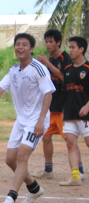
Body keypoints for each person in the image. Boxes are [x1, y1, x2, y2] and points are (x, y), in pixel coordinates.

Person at [0, 33, 55, 203]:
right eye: (17, 44)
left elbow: (48, 94)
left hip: (36, 121)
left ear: (32, 49)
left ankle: (11, 196)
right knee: (10, 159)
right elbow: (2, 86)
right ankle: (34, 188)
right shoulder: (14, 70)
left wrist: (41, 121)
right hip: (21, 121)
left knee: (22, 155)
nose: (20, 47)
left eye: (24, 44)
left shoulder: (39, 69)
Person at [34, 29, 84, 179]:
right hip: (51, 106)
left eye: (51, 41)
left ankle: (80, 170)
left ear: (58, 42)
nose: (48, 44)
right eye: (46, 42)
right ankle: (48, 169)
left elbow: (63, 77)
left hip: (63, 106)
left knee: (70, 140)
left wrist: (47, 64)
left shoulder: (66, 58)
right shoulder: (50, 58)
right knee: (46, 137)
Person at [59, 36, 89, 186]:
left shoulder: (88, 68)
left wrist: (87, 106)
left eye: (73, 47)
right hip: (70, 114)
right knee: (71, 144)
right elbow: (66, 92)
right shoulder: (67, 69)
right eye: (69, 47)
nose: (70, 50)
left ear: (81, 49)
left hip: (85, 115)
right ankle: (76, 177)